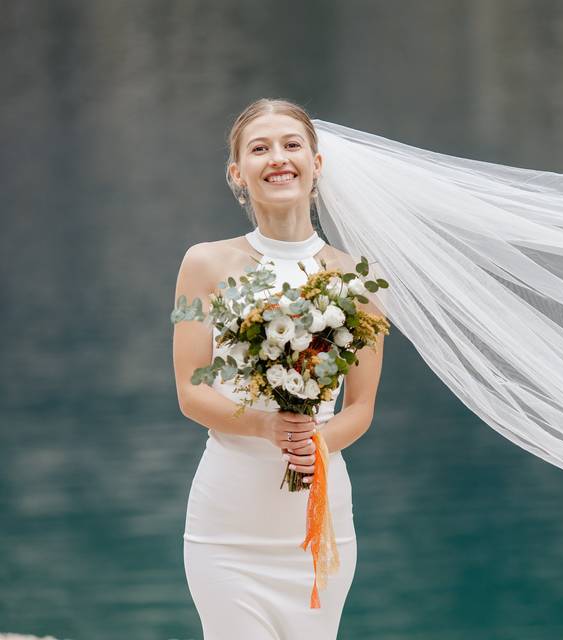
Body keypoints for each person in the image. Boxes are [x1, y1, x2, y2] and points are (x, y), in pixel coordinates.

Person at [171, 98, 386, 639]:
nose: (278, 158)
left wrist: (314, 443)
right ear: (236, 173)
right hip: (227, 528)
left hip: (316, 523)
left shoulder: (357, 276)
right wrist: (266, 425)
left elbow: (359, 408)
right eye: (259, 148)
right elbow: (190, 392)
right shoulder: (204, 263)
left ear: (317, 164)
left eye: (292, 145)